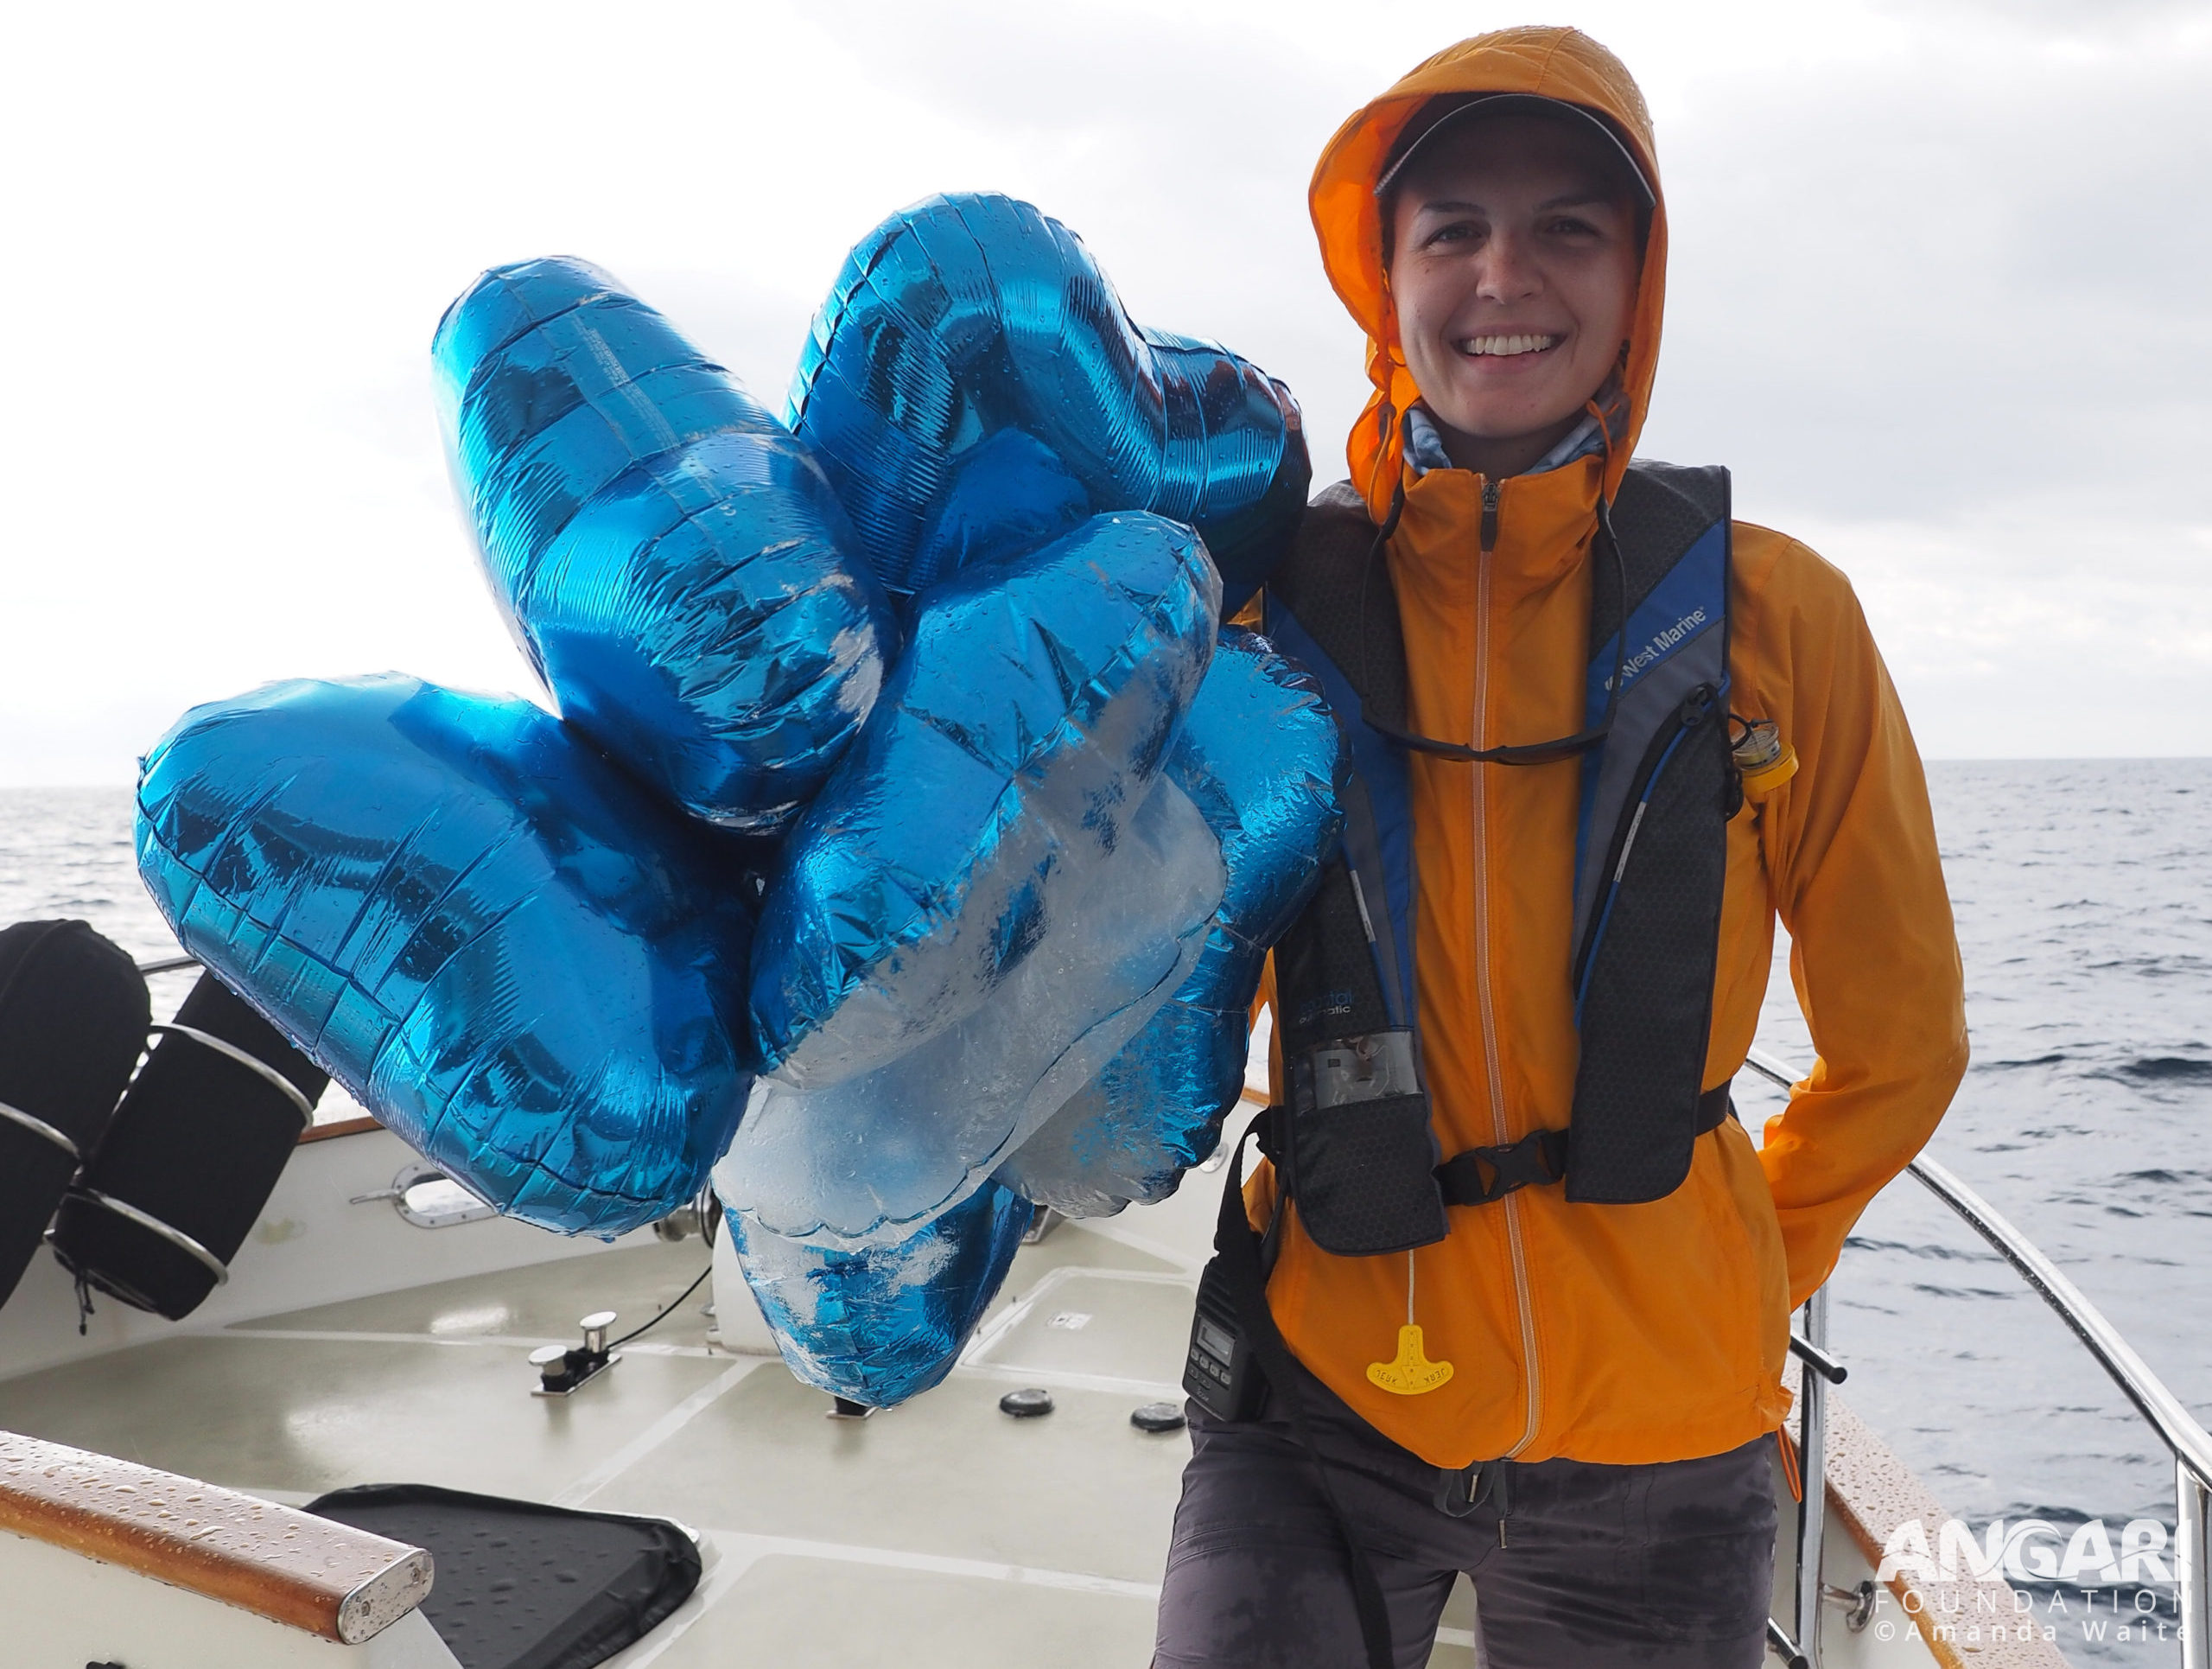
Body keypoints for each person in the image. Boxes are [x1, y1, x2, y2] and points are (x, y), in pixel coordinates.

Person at [1154, 26, 1967, 1669]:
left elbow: (1903, 1043)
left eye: (1567, 230)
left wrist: (1731, 1275)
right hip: (1314, 1415)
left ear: (1637, 278)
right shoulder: (1252, 619)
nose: (1501, 275)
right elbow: (1149, 979)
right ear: (1383, 275)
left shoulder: (1777, 615)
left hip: (1663, 1453)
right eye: (1449, 227)